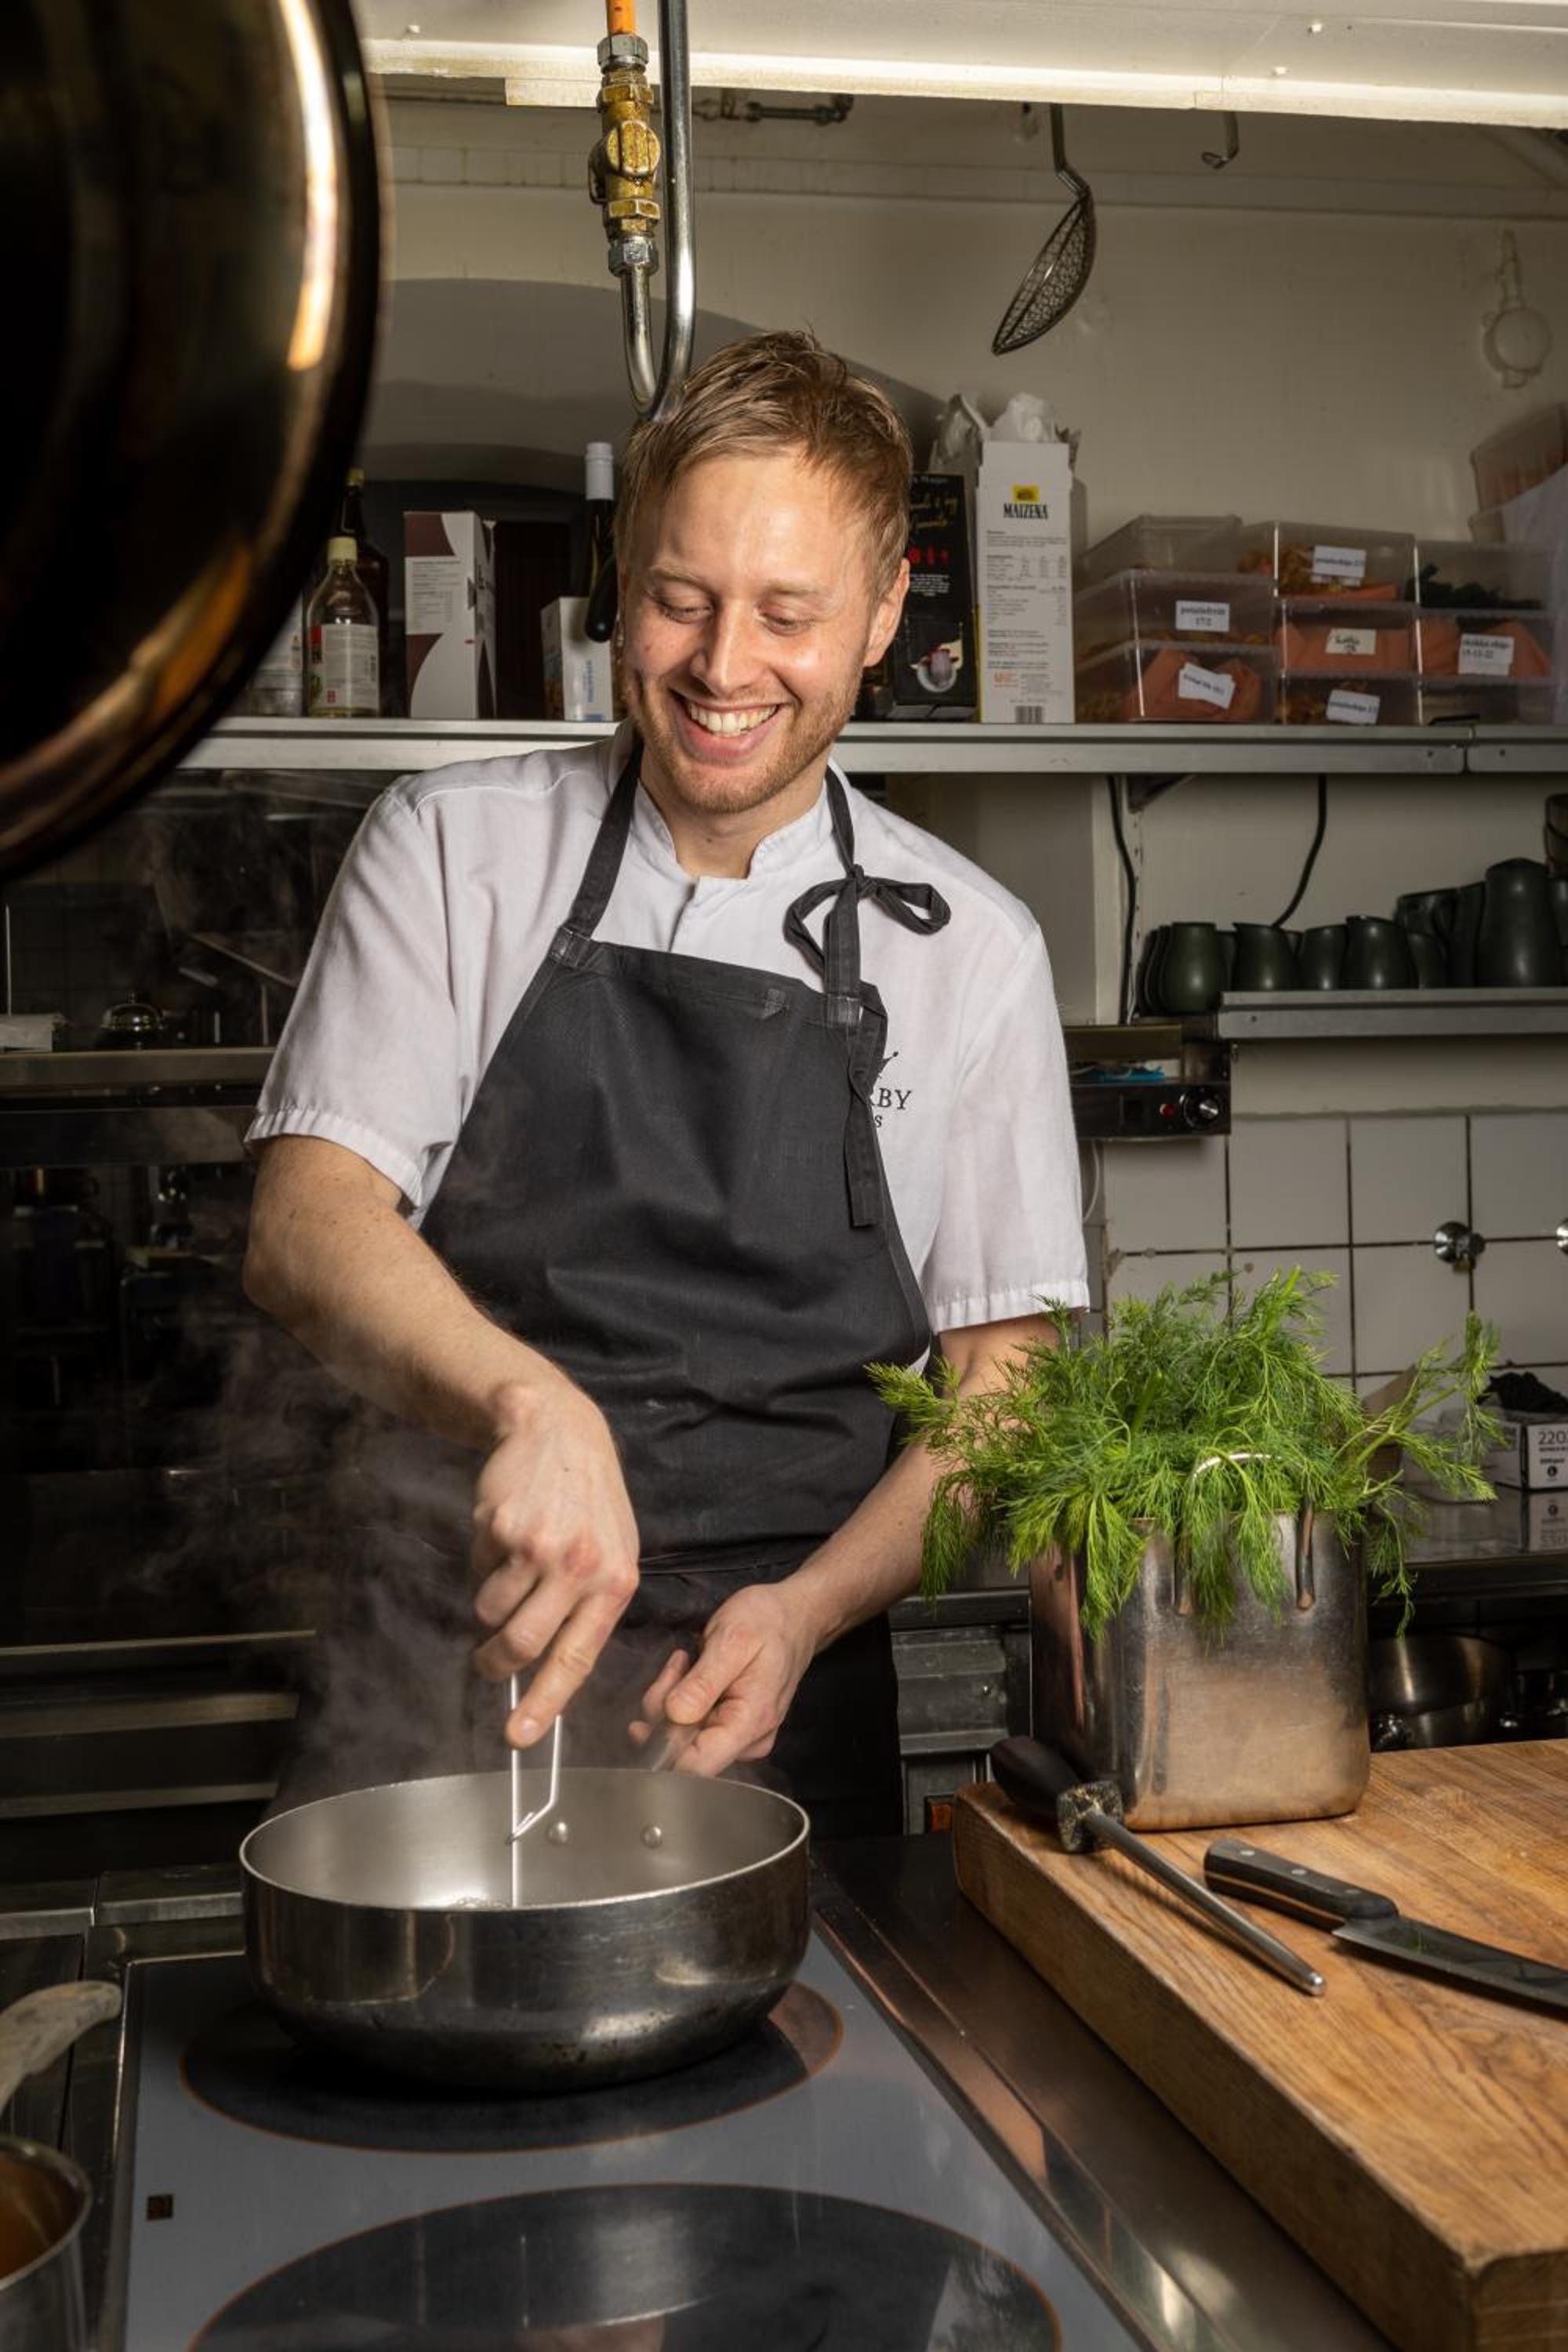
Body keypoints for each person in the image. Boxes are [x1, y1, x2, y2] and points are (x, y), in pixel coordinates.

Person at [242, 331, 1087, 1837]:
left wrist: (811, 1613)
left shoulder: (972, 950)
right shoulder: (451, 851)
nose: (723, 667)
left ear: (884, 612)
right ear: (619, 579)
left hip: (779, 1713)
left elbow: (1002, 1393)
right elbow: (307, 1224)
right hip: (438, 1683)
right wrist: (530, 1402)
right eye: (680, 600)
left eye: (788, 614)